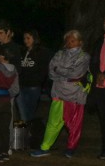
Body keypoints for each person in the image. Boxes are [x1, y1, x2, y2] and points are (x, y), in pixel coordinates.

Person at [31, 30, 91, 158]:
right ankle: (44, 147)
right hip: (58, 92)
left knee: (74, 124)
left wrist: (59, 70)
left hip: (75, 95)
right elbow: (51, 72)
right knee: (53, 122)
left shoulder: (84, 57)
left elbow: (76, 74)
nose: (69, 43)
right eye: (67, 41)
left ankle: (70, 148)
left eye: (73, 41)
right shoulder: (59, 53)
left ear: (80, 42)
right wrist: (64, 73)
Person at [17, 29, 51, 124]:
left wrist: (38, 81)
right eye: (24, 38)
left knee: (29, 112)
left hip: (33, 87)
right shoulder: (23, 51)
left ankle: (30, 130)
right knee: (22, 112)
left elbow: (44, 69)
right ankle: (24, 130)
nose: (25, 40)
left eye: (28, 38)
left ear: (34, 38)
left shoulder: (42, 52)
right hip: (21, 87)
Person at [89, 16, 105, 159]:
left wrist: (104, 74)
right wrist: (98, 74)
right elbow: (93, 61)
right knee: (103, 119)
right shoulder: (100, 41)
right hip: (100, 86)